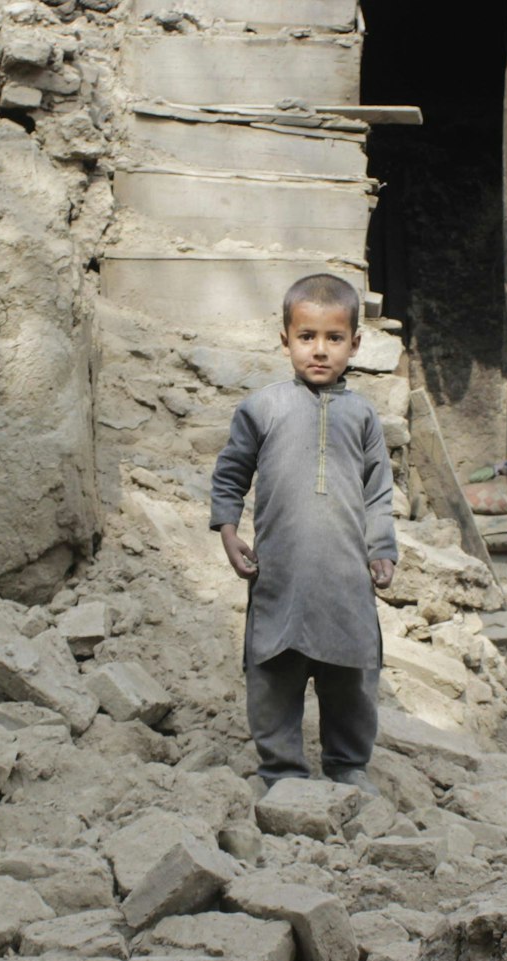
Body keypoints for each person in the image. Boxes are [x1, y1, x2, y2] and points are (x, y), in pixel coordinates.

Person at [209, 273, 397, 798]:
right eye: (307, 337)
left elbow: (379, 491)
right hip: (281, 574)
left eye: (334, 339)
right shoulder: (262, 408)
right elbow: (230, 474)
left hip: (344, 578)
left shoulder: (362, 416)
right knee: (273, 672)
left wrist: (382, 549)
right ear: (285, 338)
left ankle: (347, 765)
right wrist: (227, 529)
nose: (320, 351)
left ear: (355, 344)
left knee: (352, 676)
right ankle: (282, 772)